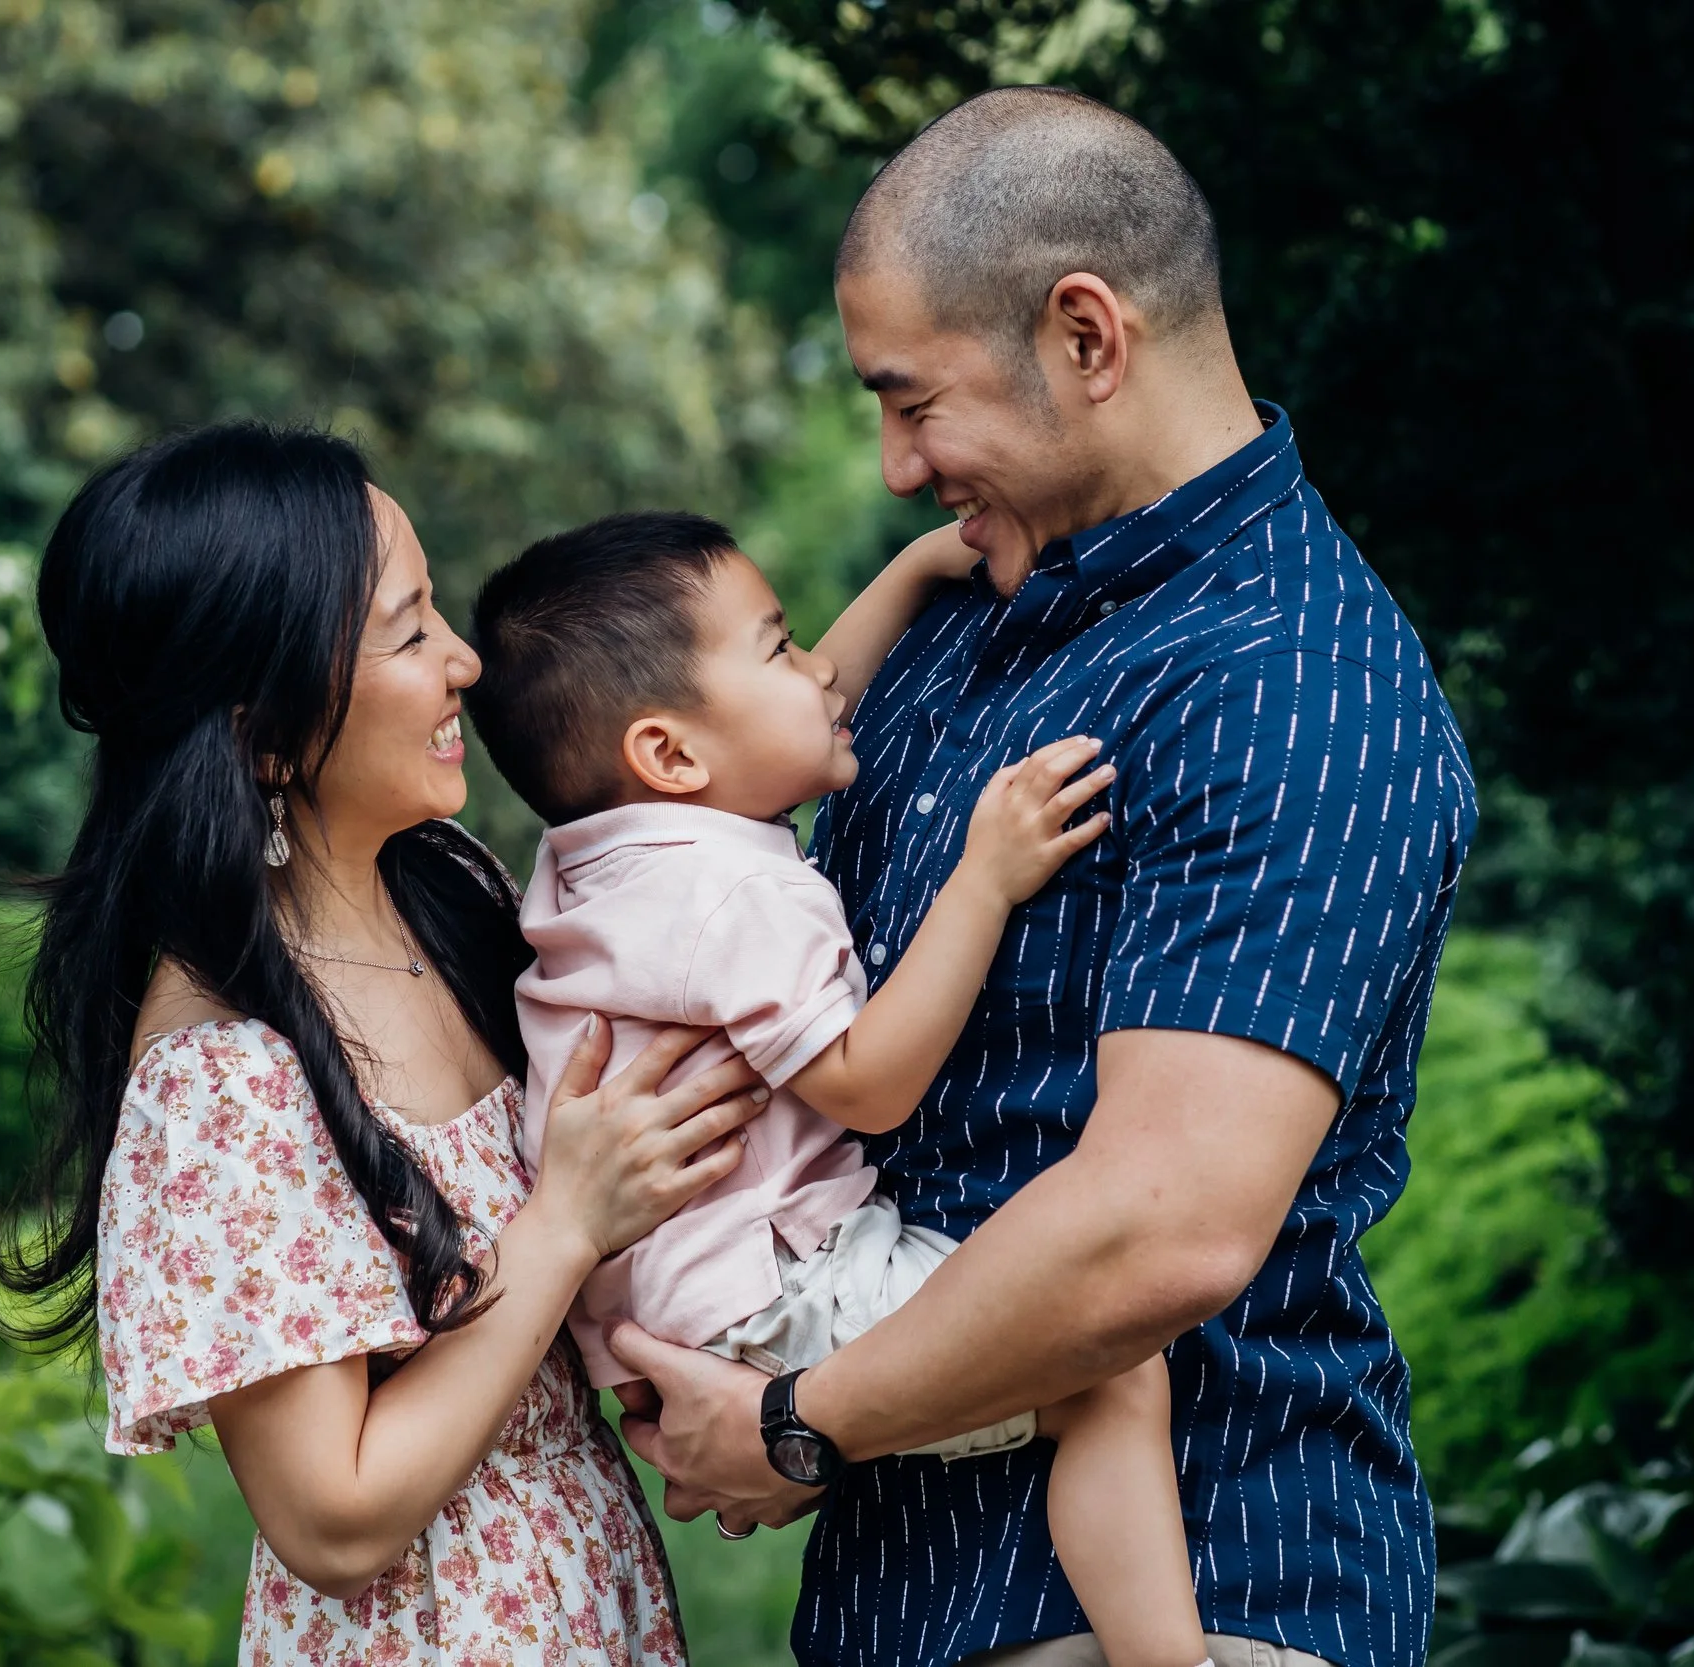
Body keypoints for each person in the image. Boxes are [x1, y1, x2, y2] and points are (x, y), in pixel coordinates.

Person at [603, 86, 1477, 1667]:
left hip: (1205, 1585)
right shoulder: (960, 620)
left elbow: (1163, 1226)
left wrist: (801, 1416)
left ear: (1086, 336)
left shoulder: (1295, 685)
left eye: (914, 401)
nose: (894, 466)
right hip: (904, 1589)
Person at [0, 422, 773, 1664]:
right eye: (409, 633)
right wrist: (565, 1222)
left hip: (591, 1590)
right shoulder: (219, 1077)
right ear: (262, 731)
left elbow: (743, 728)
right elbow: (332, 1517)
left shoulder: (447, 888)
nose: (464, 659)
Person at [463, 510, 1208, 1667]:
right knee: (1108, 1369)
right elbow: (869, 1084)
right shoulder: (733, 898)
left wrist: (916, 566)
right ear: (670, 755)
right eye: (780, 646)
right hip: (775, 1291)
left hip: (690, 1300)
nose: (820, 669)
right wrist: (986, 875)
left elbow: (788, 714)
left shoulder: (605, 854)